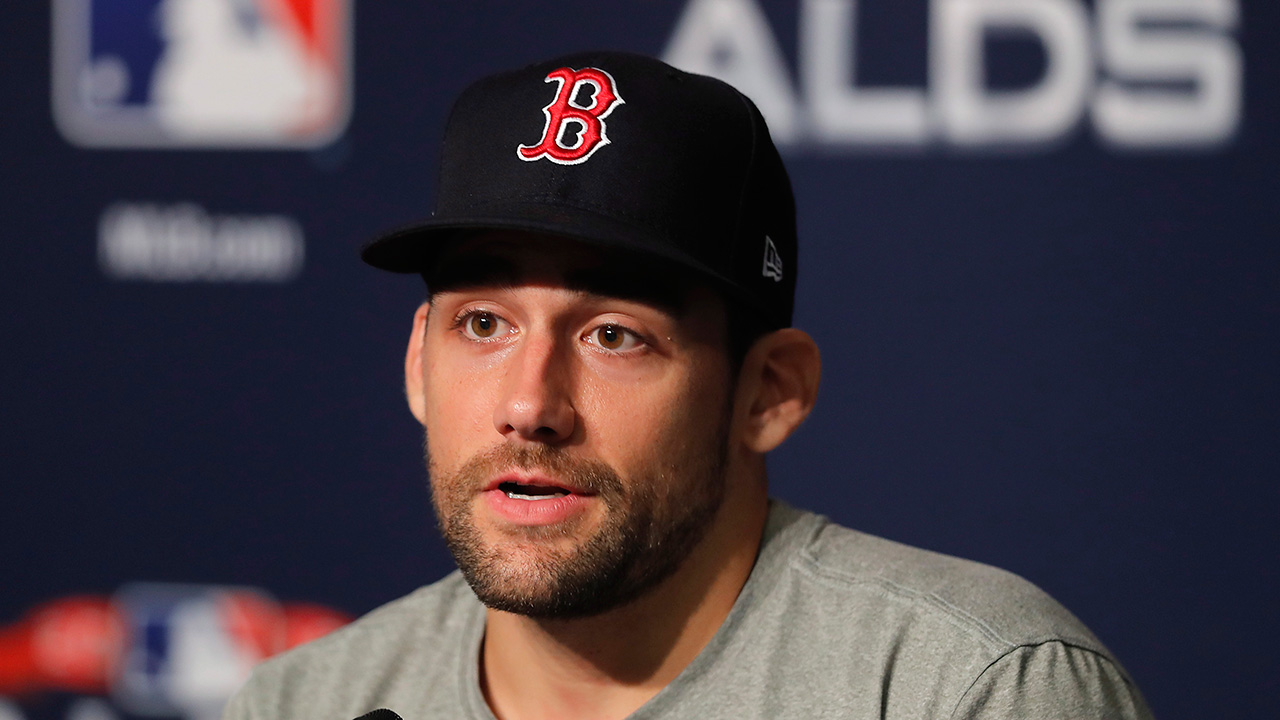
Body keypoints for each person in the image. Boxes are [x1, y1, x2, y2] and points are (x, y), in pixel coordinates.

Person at [223, 51, 1154, 720]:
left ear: (769, 391)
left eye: (615, 335)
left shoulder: (968, 689)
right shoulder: (304, 703)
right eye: (485, 325)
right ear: (419, 359)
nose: (529, 406)